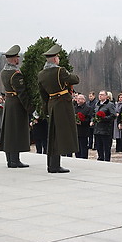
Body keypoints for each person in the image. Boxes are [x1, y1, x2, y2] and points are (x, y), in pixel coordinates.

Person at [38, 44, 80, 173]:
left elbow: (43, 94)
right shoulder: (60, 71)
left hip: (51, 103)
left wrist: (46, 108)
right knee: (59, 135)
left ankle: (51, 164)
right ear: (55, 59)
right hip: (62, 104)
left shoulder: (41, 74)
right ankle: (55, 165)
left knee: (52, 134)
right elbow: (75, 79)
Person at [0, 45, 32, 168]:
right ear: (14, 59)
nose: (19, 59)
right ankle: (15, 160)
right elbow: (22, 93)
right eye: (17, 57)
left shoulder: (4, 72)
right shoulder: (15, 74)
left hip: (9, 101)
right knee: (16, 132)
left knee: (9, 131)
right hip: (16, 104)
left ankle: (10, 160)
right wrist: (29, 108)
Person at [90, 90, 116, 162]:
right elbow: (93, 114)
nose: (100, 96)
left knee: (106, 147)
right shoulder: (97, 104)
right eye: (99, 94)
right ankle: (100, 158)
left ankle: (107, 160)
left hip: (106, 129)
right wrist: (93, 120)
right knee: (99, 146)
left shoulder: (110, 105)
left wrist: (103, 118)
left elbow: (113, 115)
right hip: (97, 129)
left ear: (106, 96)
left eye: (102, 94)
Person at [75, 94, 92, 159]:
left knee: (83, 147)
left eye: (80, 98)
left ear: (84, 100)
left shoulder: (88, 108)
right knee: (77, 147)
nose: (78, 100)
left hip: (83, 131)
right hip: (76, 130)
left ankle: (84, 159)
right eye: (77, 98)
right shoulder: (75, 107)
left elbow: (88, 119)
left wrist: (81, 122)